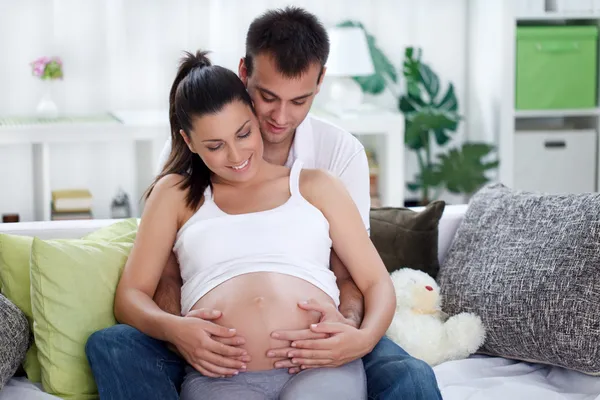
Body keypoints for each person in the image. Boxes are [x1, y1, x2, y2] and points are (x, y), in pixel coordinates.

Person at [85, 6, 442, 400]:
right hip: (220, 364)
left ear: (320, 82)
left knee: (411, 375)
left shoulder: (330, 168)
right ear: (245, 75)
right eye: (268, 98)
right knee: (112, 344)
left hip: (321, 350)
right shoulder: (180, 183)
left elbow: (361, 278)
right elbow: (162, 279)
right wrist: (180, 332)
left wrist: (353, 334)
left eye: (298, 101)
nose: (280, 117)